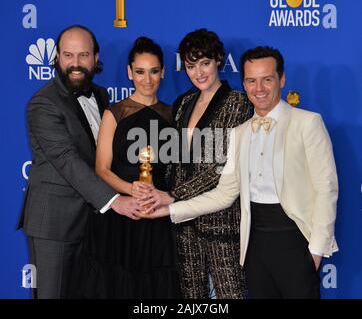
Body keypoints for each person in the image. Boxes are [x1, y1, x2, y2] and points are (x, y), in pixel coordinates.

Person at [142, 46, 339, 299]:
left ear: (282, 79)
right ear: (244, 84)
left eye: (267, 79)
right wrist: (169, 210)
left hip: (295, 241)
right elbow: (224, 193)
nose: (259, 88)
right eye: (251, 81)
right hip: (253, 245)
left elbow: (326, 188)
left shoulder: (308, 123)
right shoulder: (240, 133)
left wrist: (316, 251)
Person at [17, 25, 140, 299]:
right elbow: (67, 160)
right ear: (57, 58)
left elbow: (105, 157)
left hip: (95, 226)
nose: (75, 64)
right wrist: (114, 201)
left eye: (83, 55)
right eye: (68, 55)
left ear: (96, 58)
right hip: (55, 225)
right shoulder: (43, 104)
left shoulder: (101, 95)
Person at [141, 29, 253, 298]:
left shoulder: (237, 103)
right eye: (191, 66)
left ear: (218, 61)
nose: (199, 72)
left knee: (230, 296)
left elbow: (217, 168)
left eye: (205, 63)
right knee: (193, 299)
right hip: (183, 223)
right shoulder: (184, 102)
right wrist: (151, 191)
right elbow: (176, 161)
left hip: (220, 223)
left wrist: (170, 196)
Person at [70, 37, 181, 298]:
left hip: (159, 216)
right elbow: (102, 169)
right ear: (129, 72)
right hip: (120, 216)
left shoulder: (173, 114)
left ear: (163, 71)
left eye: (154, 71)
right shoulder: (114, 113)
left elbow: (178, 169)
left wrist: (160, 197)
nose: (147, 79)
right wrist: (131, 191)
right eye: (140, 72)